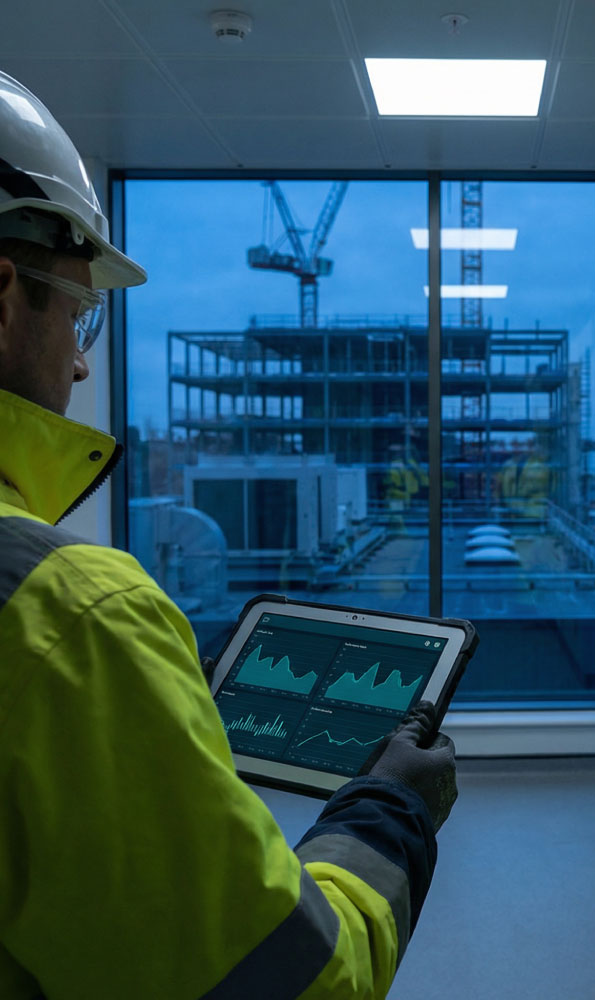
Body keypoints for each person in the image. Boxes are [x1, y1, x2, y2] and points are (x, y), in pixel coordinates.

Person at [0, 70, 457, 999]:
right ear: (3, 300)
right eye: (80, 313)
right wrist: (388, 810)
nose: (84, 363)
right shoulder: (69, 615)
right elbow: (298, 980)